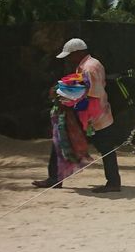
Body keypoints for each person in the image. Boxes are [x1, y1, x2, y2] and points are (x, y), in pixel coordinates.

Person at [33, 37, 125, 193]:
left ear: (79, 52)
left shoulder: (89, 68)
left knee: (103, 148)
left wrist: (67, 101)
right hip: (94, 116)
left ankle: (113, 183)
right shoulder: (88, 65)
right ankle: (56, 178)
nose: (68, 59)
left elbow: (92, 96)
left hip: (94, 118)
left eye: (70, 55)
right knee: (65, 142)